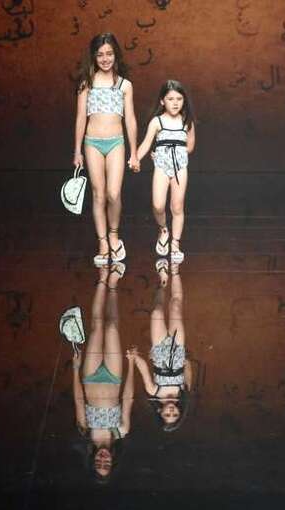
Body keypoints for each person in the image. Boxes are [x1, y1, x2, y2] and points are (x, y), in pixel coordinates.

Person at [73, 33, 139, 265]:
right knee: (98, 193)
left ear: (116, 55)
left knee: (113, 193)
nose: (105, 58)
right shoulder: (87, 84)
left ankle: (113, 234)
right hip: (92, 143)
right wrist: (77, 151)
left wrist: (134, 152)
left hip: (116, 143)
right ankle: (102, 241)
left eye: (109, 53)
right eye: (100, 54)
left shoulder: (124, 85)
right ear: (94, 57)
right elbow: (80, 118)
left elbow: (130, 119)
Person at [72, 265, 134, 482]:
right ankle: (114, 285)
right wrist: (131, 365)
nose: (103, 460)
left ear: (92, 460)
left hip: (90, 376)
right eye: (106, 464)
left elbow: (79, 400)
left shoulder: (85, 430)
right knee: (112, 328)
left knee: (97, 327)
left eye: (98, 464)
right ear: (113, 461)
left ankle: (103, 278)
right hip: (114, 378)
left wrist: (76, 368)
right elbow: (128, 398)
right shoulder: (121, 430)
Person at [134, 80, 196, 263]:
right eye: (170, 99)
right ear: (162, 101)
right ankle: (163, 229)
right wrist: (136, 158)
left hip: (180, 166)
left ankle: (175, 244)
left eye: (179, 99)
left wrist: (175, 151)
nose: (175, 103)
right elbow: (146, 143)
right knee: (158, 205)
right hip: (161, 166)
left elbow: (190, 146)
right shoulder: (157, 121)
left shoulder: (187, 121)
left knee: (177, 206)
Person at [129, 260, 193, 432]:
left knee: (156, 312)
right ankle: (175, 270)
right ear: (180, 412)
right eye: (175, 414)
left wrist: (135, 357)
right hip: (177, 349)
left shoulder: (154, 392)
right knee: (176, 307)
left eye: (167, 415)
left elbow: (144, 370)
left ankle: (162, 283)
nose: (171, 411)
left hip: (159, 350)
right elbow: (188, 370)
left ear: (160, 412)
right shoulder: (183, 392)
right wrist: (185, 359)